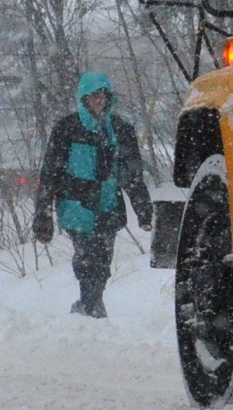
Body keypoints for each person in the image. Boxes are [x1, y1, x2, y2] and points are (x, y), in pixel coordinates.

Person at [31, 71, 151, 317]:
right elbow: (50, 173)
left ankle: (90, 303)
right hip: (77, 207)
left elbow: (132, 175)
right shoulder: (67, 129)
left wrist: (143, 208)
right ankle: (90, 304)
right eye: (92, 96)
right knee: (87, 257)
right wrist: (43, 212)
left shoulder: (121, 129)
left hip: (108, 205)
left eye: (102, 95)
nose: (98, 101)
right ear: (83, 99)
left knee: (103, 259)